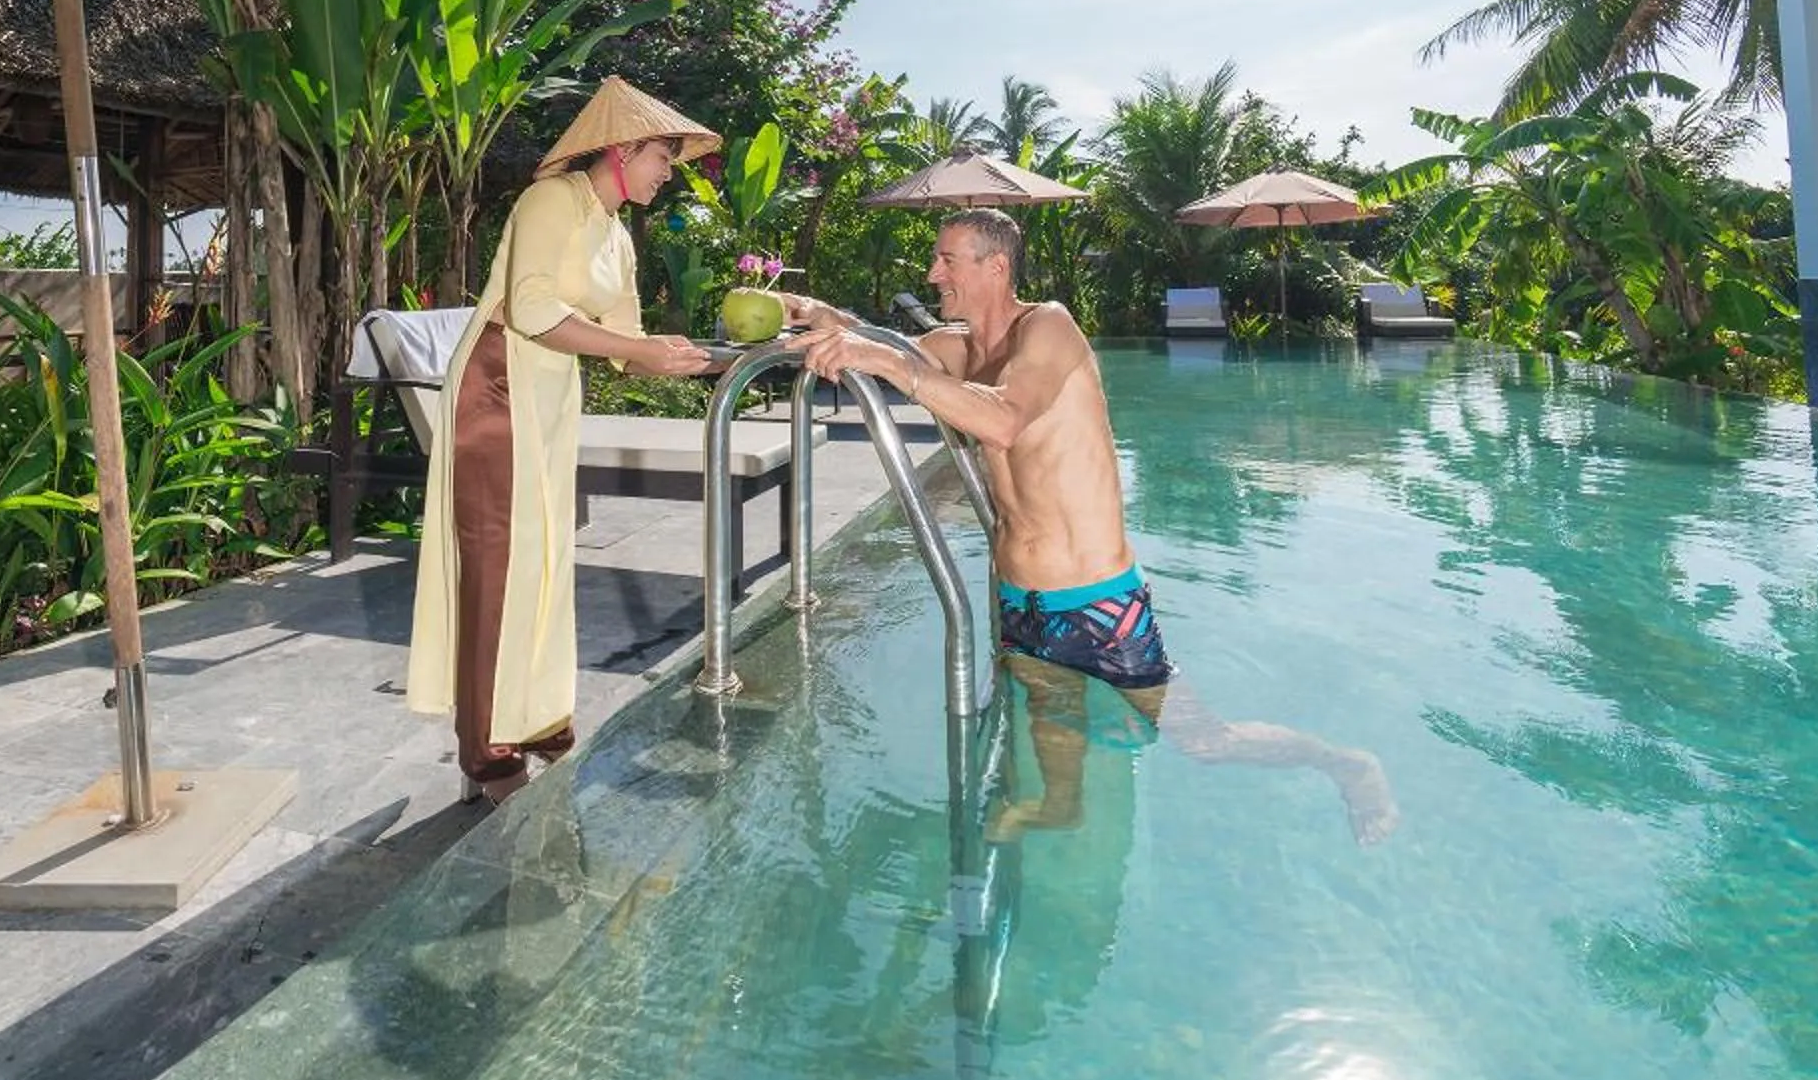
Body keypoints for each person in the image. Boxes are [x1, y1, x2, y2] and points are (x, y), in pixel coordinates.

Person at [791, 208, 1396, 845]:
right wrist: (812, 315)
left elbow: (1002, 419)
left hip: (1096, 600)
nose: (932, 272)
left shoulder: (1049, 327)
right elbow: (885, 345)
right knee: (1051, 707)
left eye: (947, 260)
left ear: (996, 266)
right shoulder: (958, 347)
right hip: (1020, 598)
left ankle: (1346, 763)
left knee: (1203, 740)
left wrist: (896, 367)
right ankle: (1060, 804)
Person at [408, 77, 718, 803]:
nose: (668, 172)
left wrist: (698, 354)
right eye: (662, 157)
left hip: (547, 397)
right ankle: (487, 755)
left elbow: (625, 342)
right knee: (496, 567)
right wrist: (638, 351)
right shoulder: (551, 200)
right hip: (496, 386)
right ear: (620, 149)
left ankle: (538, 717)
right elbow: (531, 307)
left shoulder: (616, 234)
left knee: (544, 563)